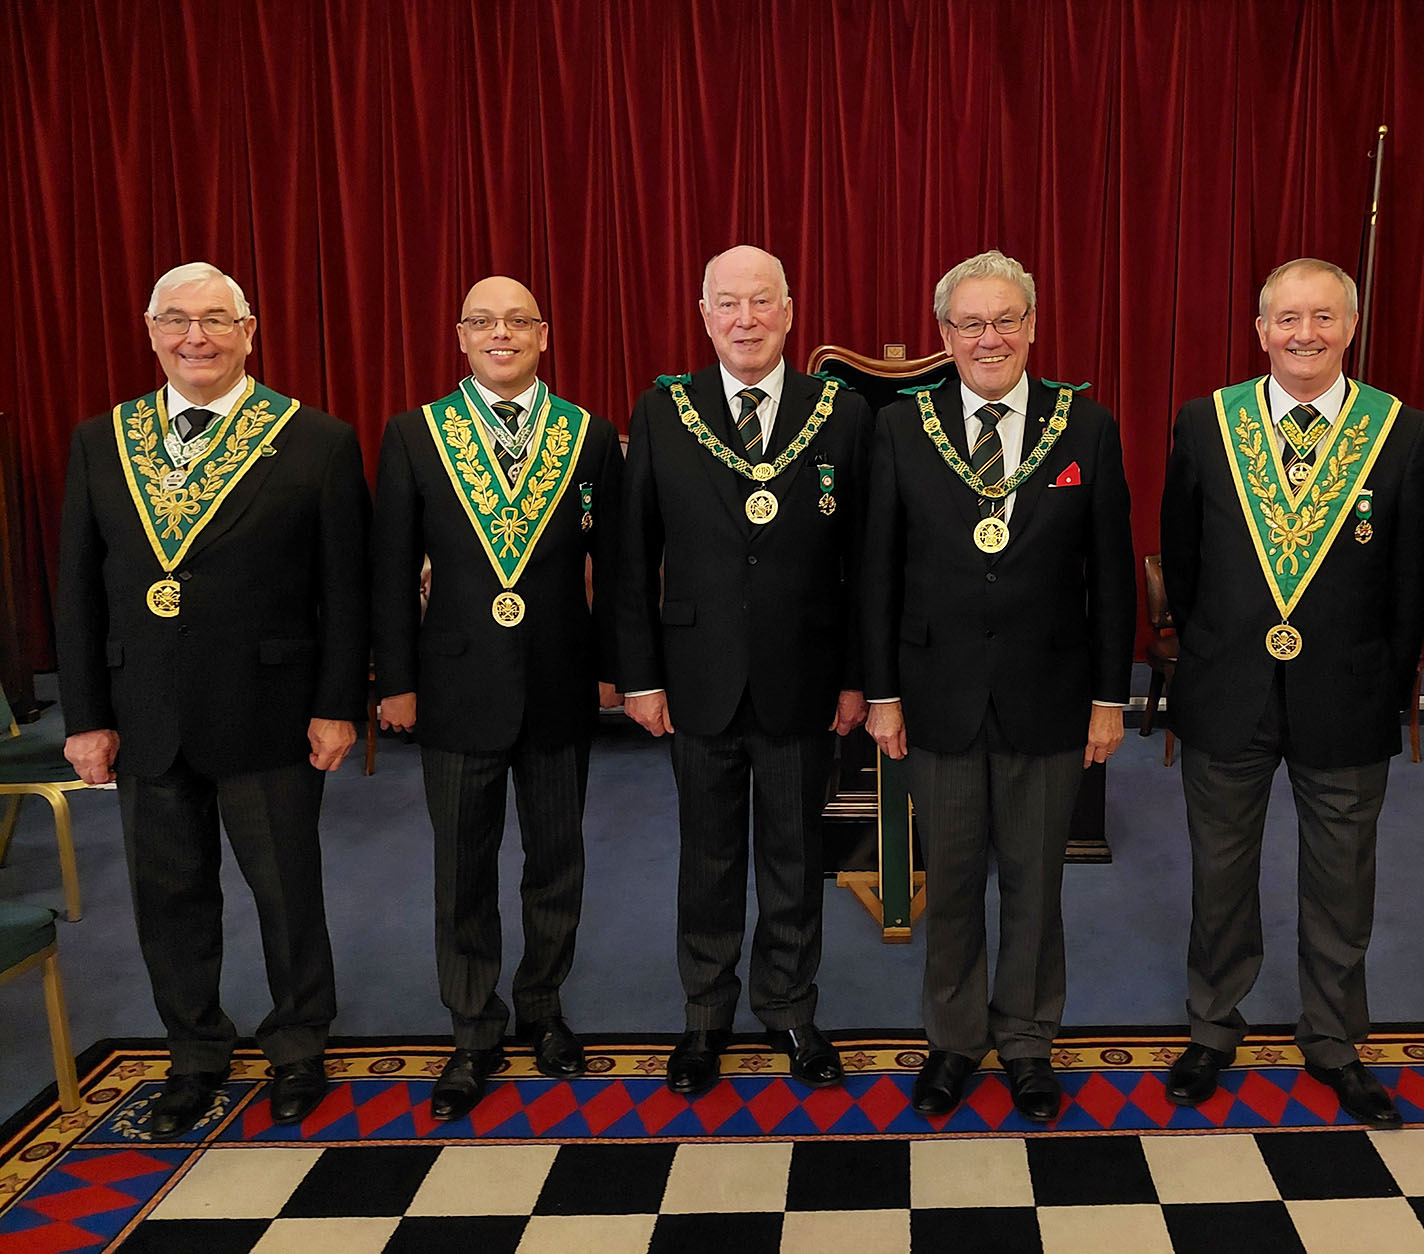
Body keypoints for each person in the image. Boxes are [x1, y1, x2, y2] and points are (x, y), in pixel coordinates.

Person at [56, 261, 368, 1138]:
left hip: (268, 709)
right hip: (145, 711)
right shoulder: (100, 440)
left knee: (286, 891)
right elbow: (77, 589)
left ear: (249, 331)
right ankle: (193, 1054)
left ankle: (299, 1043)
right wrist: (85, 716)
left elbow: (343, 591)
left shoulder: (314, 439)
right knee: (169, 895)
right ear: (151, 330)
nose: (196, 336)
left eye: (215, 320)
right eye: (176, 320)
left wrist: (337, 701)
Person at [1158, 258, 1424, 1128]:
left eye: (1323, 318)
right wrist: (1209, 657)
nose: (1305, 334)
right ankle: (1212, 1025)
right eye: (1287, 319)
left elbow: (1409, 582)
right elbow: (1184, 559)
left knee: (1343, 882)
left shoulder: (1402, 432)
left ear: (1350, 328)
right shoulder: (1208, 423)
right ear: (1261, 330)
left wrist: (1387, 691)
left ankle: (1335, 1042)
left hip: (1346, 697)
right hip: (1229, 689)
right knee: (1220, 873)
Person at [864, 249, 1135, 1123]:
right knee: (948, 882)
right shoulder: (903, 429)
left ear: (1031, 327)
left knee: (1033, 881)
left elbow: (1111, 575)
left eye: (1005, 320)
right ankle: (953, 1041)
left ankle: (1025, 1041)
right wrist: (881, 693)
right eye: (971, 323)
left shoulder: (1083, 426)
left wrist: (1107, 697)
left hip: (1050, 696)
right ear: (945, 336)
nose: (990, 338)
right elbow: (878, 574)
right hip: (934, 694)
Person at [618, 245, 872, 1096]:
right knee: (709, 858)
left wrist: (856, 677)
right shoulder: (664, 410)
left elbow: (864, 563)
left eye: (762, 302)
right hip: (696, 677)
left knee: (797, 859)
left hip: (805, 676)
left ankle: (792, 1010)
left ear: (791, 311)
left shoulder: (838, 411)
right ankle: (704, 1019)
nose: (746, 320)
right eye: (727, 304)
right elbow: (631, 554)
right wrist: (640, 675)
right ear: (703, 315)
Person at [372, 276, 622, 1120]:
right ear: (461, 336)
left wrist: (618, 667)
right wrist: (397, 682)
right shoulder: (414, 434)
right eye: (484, 321)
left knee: (557, 862)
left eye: (519, 321)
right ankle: (473, 1030)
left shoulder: (587, 435)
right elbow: (389, 569)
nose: (502, 333)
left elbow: (616, 569)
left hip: (557, 681)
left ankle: (544, 1008)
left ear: (545, 335)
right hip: (453, 688)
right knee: (462, 870)